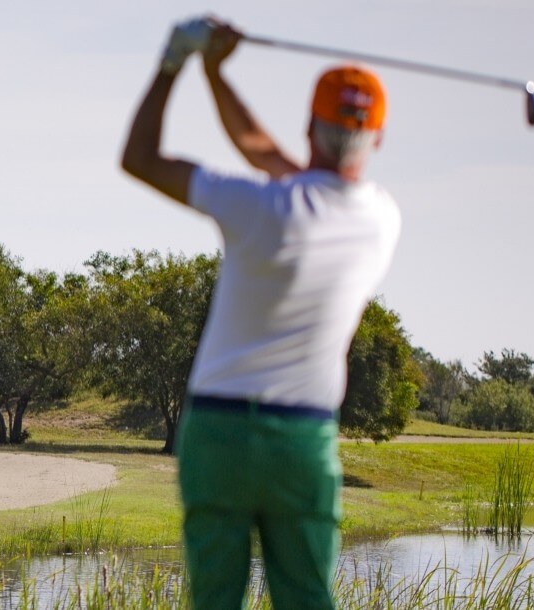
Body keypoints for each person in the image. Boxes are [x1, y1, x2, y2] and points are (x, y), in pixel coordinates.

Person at [119, 16, 401, 610]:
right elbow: (266, 153)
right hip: (302, 438)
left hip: (217, 432)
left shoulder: (254, 204)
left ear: (309, 126)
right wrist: (218, 77)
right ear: (376, 138)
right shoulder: (379, 218)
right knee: (306, 599)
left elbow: (141, 159)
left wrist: (181, 61)